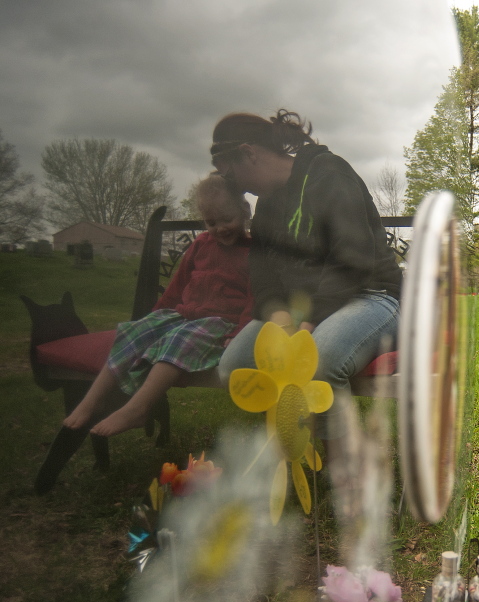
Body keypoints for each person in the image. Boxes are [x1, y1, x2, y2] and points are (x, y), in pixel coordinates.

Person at [211, 110, 402, 434]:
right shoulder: (267, 204)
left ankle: (342, 467)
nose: (236, 189)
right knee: (236, 366)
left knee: (318, 362)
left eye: (230, 176)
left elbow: (352, 260)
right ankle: (293, 445)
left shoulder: (329, 174)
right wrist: (278, 315)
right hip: (303, 311)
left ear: (249, 153)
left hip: (370, 296)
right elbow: (262, 268)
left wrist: (307, 322)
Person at [63, 175, 253, 437]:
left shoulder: (253, 252)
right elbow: (178, 285)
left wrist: (237, 334)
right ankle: (93, 399)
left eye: (227, 219)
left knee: (179, 339)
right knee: (134, 331)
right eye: (211, 222)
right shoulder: (200, 245)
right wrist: (154, 319)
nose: (220, 228)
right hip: (184, 316)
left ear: (244, 211)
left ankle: (138, 408)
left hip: (219, 324)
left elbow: (255, 300)